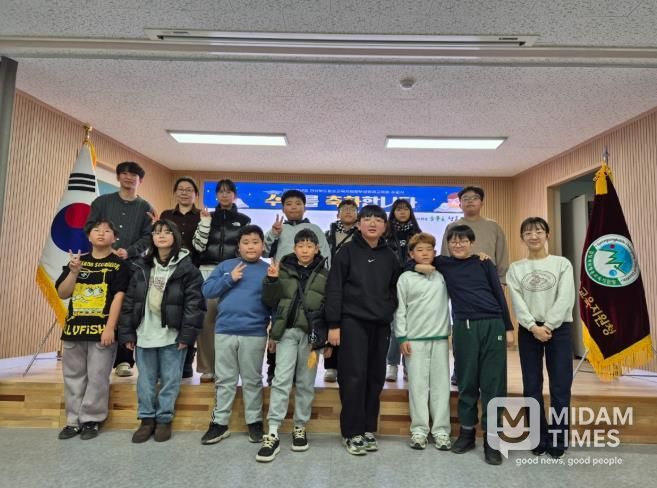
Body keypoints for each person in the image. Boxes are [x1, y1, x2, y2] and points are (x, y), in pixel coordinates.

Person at [416, 224, 514, 465]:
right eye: (454, 241)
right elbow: (412, 261)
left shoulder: (484, 263)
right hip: (464, 326)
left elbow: (499, 294)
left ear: (471, 243)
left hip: (493, 324)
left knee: (493, 383)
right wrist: (417, 266)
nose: (458, 245)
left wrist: (508, 327)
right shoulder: (443, 263)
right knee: (466, 381)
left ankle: (492, 440)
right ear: (448, 245)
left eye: (463, 241)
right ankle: (467, 433)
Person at [118, 220, 205, 443]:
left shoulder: (188, 269)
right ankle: (147, 419)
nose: (162, 235)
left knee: (170, 379)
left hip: (172, 335)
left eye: (167, 232)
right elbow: (129, 302)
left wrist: (187, 336)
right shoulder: (140, 266)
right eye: (157, 232)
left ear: (175, 236)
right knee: (145, 380)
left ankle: (164, 418)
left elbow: (194, 305)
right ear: (152, 238)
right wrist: (127, 333)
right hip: (144, 332)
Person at [325, 204, 401, 456]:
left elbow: (395, 289)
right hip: (352, 322)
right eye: (367, 218)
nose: (372, 223)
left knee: (375, 377)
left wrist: (387, 309)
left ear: (384, 226)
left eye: (378, 219)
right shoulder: (346, 252)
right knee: (353, 377)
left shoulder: (390, 255)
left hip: (380, 324)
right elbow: (334, 288)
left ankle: (368, 428)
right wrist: (333, 324)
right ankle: (351, 432)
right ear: (359, 224)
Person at [256, 229, 330, 462]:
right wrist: (271, 280)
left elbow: (329, 308)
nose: (305, 250)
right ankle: (273, 431)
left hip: (312, 337)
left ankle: (300, 426)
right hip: (287, 333)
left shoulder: (326, 274)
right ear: (294, 248)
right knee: (281, 380)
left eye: (309, 246)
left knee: (306, 383)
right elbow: (269, 301)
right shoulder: (283, 269)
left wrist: (327, 340)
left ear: (317, 249)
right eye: (301, 246)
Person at [507, 217, 575, 459]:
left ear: (547, 234)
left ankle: (558, 438)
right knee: (532, 385)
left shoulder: (562, 264)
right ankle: (538, 436)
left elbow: (566, 297)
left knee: (560, 386)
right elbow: (517, 302)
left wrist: (548, 325)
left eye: (538, 231)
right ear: (522, 238)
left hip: (559, 329)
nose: (533, 236)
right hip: (529, 330)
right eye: (528, 232)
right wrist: (532, 326)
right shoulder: (516, 268)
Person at [55, 218, 130, 440]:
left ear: (115, 238)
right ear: (88, 236)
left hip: (101, 330)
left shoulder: (119, 264)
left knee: (97, 377)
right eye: (96, 230)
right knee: (73, 376)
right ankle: (72, 421)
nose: (101, 233)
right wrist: (74, 272)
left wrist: (110, 328)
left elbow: (119, 297)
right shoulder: (77, 262)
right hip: (74, 329)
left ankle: (91, 420)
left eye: (107, 230)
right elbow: (62, 293)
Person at [200, 225, 270, 446]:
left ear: (263, 245)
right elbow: (207, 290)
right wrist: (229, 278)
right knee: (225, 379)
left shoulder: (268, 270)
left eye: (255, 242)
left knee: (252, 380)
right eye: (246, 242)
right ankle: (219, 423)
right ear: (238, 246)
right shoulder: (225, 266)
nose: (251, 246)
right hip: (225, 331)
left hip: (255, 333)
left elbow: (275, 302)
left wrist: (275, 333)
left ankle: (254, 422)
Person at [86, 161, 154, 377]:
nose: (128, 177)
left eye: (133, 175)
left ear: (140, 180)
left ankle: (124, 360)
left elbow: (149, 237)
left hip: (131, 266)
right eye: (124, 173)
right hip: (101, 263)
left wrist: (130, 251)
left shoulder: (146, 208)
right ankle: (96, 355)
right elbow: (89, 227)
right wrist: (107, 247)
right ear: (118, 177)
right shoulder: (101, 202)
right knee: (99, 304)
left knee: (127, 311)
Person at [440, 186, 509, 386]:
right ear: (459, 203)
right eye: (466, 198)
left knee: (490, 341)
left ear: (482, 202)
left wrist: (501, 283)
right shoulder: (452, 227)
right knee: (462, 333)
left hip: (488, 289)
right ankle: (460, 370)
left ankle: (486, 376)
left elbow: (502, 257)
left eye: (475, 198)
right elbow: (445, 257)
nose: (470, 201)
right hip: (460, 291)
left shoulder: (494, 227)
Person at [263, 189, 330, 384]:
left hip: (311, 284)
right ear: (283, 208)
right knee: (279, 326)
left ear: (305, 207)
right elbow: (265, 251)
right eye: (289, 204)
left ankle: (302, 375)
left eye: (298, 203)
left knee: (307, 328)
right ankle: (274, 369)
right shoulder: (278, 228)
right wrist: (274, 234)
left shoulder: (315, 229)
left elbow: (326, 257)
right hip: (285, 285)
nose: (293, 207)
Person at [394, 232, 451, 451]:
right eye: (420, 250)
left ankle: (441, 431)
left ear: (435, 253)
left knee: (441, 387)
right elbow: (400, 309)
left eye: (429, 250)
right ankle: (419, 431)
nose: (425, 253)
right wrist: (402, 336)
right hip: (414, 340)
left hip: (440, 338)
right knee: (417, 387)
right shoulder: (405, 278)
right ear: (411, 254)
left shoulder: (442, 276)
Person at [193, 179, 251, 382]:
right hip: (208, 272)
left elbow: (246, 247)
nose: (224, 195)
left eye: (228, 191)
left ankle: (228, 369)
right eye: (221, 191)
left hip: (233, 272)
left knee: (231, 323)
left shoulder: (244, 219)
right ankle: (208, 367)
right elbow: (198, 246)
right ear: (216, 195)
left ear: (235, 195)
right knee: (207, 322)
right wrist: (205, 223)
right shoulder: (207, 216)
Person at [160, 176, 202, 379]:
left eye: (189, 190)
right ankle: (167, 361)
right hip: (168, 270)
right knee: (170, 312)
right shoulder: (166, 215)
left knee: (189, 314)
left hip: (193, 271)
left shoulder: (203, 216)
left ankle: (187, 361)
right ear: (175, 192)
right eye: (181, 189)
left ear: (196, 194)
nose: (184, 193)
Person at [384, 198, 422, 382]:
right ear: (393, 212)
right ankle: (392, 365)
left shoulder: (418, 234)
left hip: (413, 282)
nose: (402, 212)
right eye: (398, 209)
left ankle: (408, 365)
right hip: (391, 284)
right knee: (394, 328)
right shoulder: (385, 234)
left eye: (405, 209)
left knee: (412, 327)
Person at [323, 198, 358, 383]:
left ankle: (347, 367)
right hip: (331, 282)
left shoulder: (362, 234)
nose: (348, 211)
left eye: (352, 209)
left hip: (354, 284)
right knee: (331, 322)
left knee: (350, 326)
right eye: (344, 209)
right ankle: (331, 366)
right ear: (337, 214)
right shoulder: (328, 233)